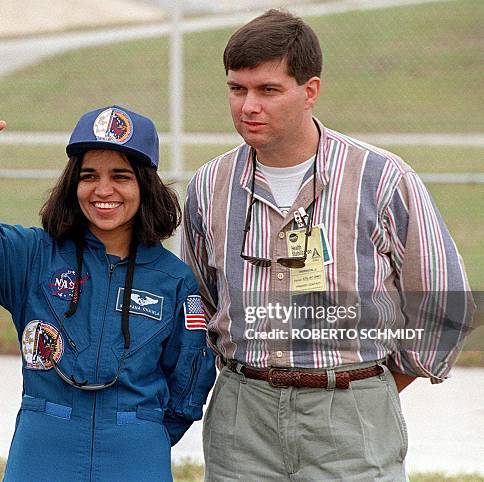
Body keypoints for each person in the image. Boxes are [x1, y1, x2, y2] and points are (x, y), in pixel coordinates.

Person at [182, 9, 474, 481]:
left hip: (352, 415)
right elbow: (200, 298)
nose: (248, 106)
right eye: (237, 89)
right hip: (241, 418)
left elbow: (445, 303)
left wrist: (370, 387)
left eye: (268, 90)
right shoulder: (209, 184)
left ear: (310, 90)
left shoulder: (381, 179)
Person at [0, 106, 216, 481]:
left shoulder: (174, 280)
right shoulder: (34, 258)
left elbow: (190, 377)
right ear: (74, 184)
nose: (103, 190)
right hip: (43, 443)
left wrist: (143, 431)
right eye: (89, 176)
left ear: (144, 186)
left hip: (136, 449)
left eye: (120, 176)